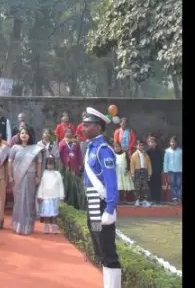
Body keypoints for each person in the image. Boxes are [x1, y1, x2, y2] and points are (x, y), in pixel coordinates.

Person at [80, 107, 122, 288]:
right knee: (99, 246)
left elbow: (111, 183)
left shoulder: (103, 149)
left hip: (102, 204)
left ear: (97, 127)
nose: (83, 128)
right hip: (93, 205)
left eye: (87, 125)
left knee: (107, 249)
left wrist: (110, 209)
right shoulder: (91, 147)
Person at [7, 127, 42, 235]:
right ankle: (18, 225)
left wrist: (38, 177)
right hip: (18, 178)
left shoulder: (35, 148)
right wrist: (10, 176)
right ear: (19, 135)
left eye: (26, 133)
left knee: (28, 201)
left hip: (31, 177)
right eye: (22, 133)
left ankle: (27, 227)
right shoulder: (14, 148)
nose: (24, 135)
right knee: (18, 201)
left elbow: (39, 163)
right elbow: (10, 163)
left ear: (30, 135)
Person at [37, 155, 65, 234]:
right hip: (45, 197)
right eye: (49, 164)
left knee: (54, 213)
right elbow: (41, 185)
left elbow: (60, 185)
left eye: (51, 164)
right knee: (46, 213)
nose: (50, 166)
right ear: (46, 164)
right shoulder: (44, 174)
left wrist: (61, 195)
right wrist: (40, 196)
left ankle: (54, 227)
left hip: (54, 196)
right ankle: (46, 226)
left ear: (54, 164)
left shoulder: (57, 174)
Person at [131, 141, 153, 207]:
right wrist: (132, 173)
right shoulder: (134, 155)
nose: (141, 147)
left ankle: (144, 201)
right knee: (137, 187)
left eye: (142, 145)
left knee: (145, 187)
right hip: (137, 171)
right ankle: (137, 200)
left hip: (145, 171)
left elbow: (149, 164)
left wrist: (149, 173)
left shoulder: (146, 155)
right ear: (137, 146)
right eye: (139, 145)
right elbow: (132, 164)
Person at [164, 136, 182, 203]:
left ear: (177, 143)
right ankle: (174, 198)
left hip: (179, 170)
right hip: (171, 171)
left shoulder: (180, 151)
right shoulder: (167, 151)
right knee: (172, 184)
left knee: (179, 184)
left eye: (174, 142)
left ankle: (179, 198)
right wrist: (165, 170)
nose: (173, 143)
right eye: (171, 142)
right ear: (170, 143)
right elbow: (165, 161)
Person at [147, 135, 164, 203]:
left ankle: (158, 199)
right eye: (150, 142)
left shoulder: (160, 151)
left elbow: (162, 161)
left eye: (153, 142)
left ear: (156, 143)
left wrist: (161, 169)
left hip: (158, 171)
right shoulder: (147, 152)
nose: (152, 143)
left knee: (158, 185)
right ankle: (153, 198)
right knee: (151, 185)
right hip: (150, 171)